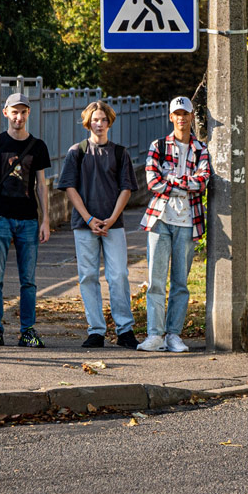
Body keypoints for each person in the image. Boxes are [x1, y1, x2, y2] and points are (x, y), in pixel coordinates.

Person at [57, 100, 139, 349]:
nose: (99, 123)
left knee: (119, 275)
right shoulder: (77, 151)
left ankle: (125, 329)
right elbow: (70, 188)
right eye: (95, 119)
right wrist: (89, 218)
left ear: (109, 122)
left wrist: (112, 218)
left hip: (113, 224)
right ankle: (96, 331)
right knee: (88, 276)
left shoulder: (119, 153)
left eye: (103, 119)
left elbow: (127, 188)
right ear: (87, 122)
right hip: (85, 225)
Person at [0, 93, 52, 347]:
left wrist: (45, 220)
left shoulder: (38, 146)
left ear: (28, 114)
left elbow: (42, 185)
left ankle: (27, 330)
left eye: (23, 112)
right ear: (5, 112)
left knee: (28, 280)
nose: (18, 117)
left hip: (29, 220)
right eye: (14, 112)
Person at [138, 96, 211, 353]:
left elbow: (202, 181)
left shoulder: (201, 149)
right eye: (177, 114)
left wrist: (171, 180)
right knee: (156, 281)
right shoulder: (157, 145)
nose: (181, 118)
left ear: (191, 117)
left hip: (188, 222)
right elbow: (152, 181)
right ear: (171, 117)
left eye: (185, 114)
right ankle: (155, 335)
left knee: (180, 282)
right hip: (160, 220)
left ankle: (173, 335)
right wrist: (184, 182)